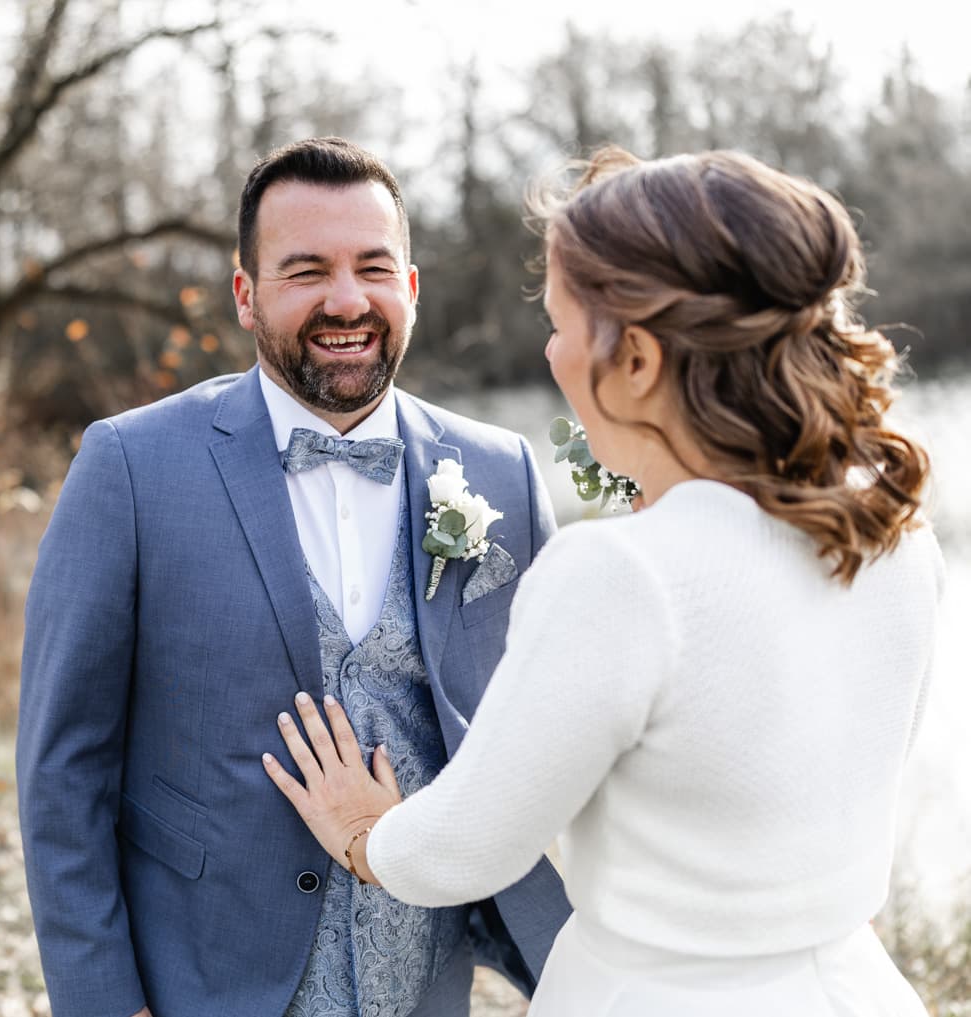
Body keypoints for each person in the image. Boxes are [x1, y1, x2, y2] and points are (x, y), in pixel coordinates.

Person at [265, 146, 945, 1016]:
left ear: (637, 363)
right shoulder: (895, 533)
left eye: (559, 324)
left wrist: (367, 834)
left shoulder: (622, 575)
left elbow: (470, 846)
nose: (550, 355)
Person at [17, 137, 572, 1017]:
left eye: (372, 267)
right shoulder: (129, 467)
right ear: (245, 294)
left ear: (411, 288)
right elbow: (62, 770)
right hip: (205, 988)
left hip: (430, 989)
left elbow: (546, 737)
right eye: (305, 270)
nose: (345, 299)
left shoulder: (500, 471)